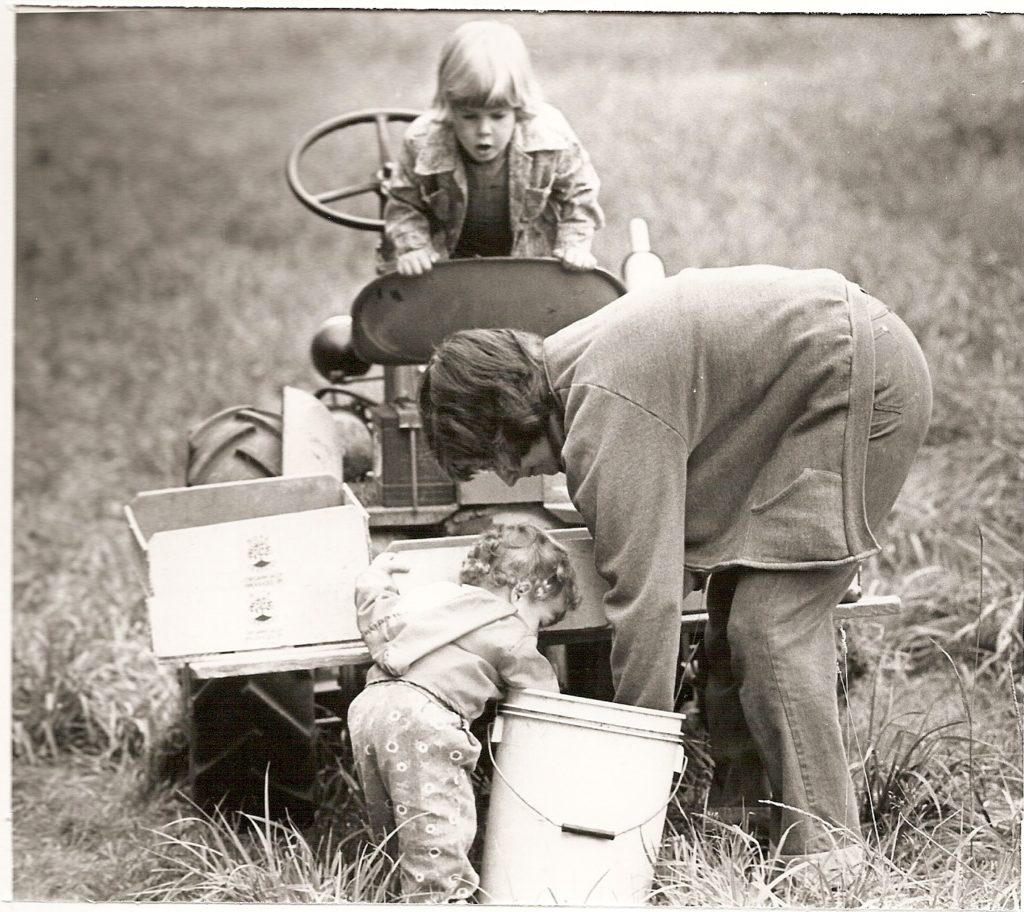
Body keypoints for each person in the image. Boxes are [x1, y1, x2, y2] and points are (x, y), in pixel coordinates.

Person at [417, 264, 933, 877]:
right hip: (824, 377)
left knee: (769, 630)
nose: (507, 477)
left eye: (494, 456)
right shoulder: (574, 374)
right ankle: (739, 832)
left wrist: (630, 761)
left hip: (856, 385)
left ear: (506, 413)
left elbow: (649, 601)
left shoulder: (603, 410)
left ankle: (832, 864)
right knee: (730, 618)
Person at [347, 522, 581, 903]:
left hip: (369, 708)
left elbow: (375, 608)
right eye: (543, 621)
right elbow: (543, 702)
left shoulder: (426, 602)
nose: (538, 633)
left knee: (395, 819)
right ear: (522, 592)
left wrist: (375, 576)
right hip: (424, 717)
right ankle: (441, 899)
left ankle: (397, 893)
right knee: (437, 823)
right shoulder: (508, 627)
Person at [381, 19, 604, 277]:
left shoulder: (549, 137)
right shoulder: (422, 142)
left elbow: (581, 191)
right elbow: (402, 200)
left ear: (518, 108)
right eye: (469, 116)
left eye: (498, 116)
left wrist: (573, 245)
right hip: (447, 270)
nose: (484, 130)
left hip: (531, 266)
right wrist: (414, 248)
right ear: (450, 108)